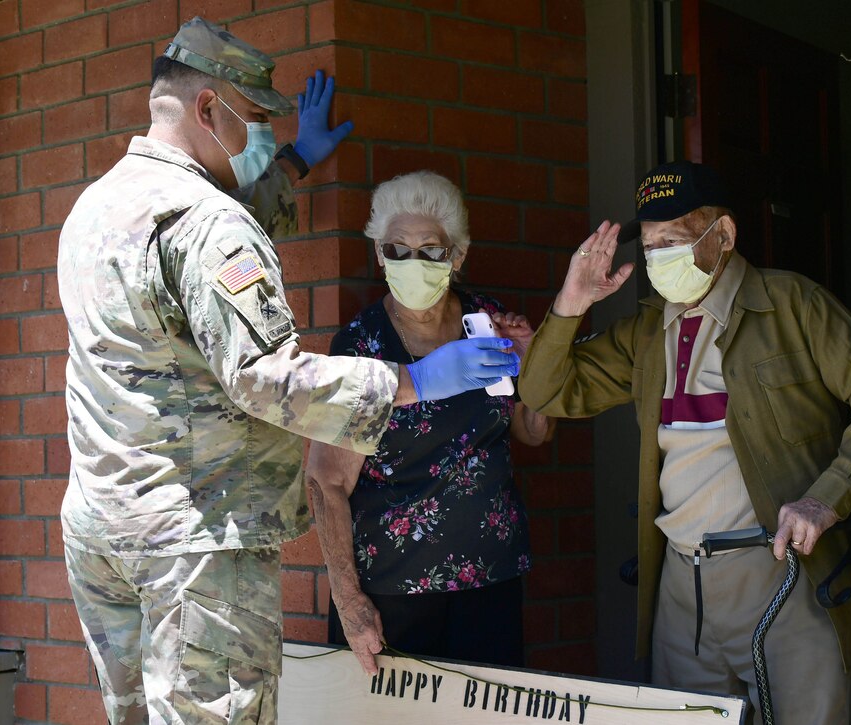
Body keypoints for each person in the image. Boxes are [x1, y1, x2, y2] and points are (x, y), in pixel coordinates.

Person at [57, 18, 518, 724]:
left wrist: (298, 159)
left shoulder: (96, 208)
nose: (259, 136)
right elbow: (265, 377)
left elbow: (195, 249)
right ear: (209, 110)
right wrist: (415, 381)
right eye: (256, 120)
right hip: (195, 540)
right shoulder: (207, 222)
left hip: (105, 528)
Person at [518, 160, 851, 724]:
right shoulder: (646, 331)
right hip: (681, 586)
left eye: (673, 241)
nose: (658, 258)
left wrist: (825, 497)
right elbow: (545, 391)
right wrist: (571, 303)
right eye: (651, 245)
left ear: (723, 236)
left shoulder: (792, 304)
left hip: (783, 574)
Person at [305, 171, 552, 674]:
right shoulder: (361, 347)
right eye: (396, 250)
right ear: (379, 255)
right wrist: (348, 600)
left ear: (456, 257)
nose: (411, 263)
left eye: (429, 250)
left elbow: (533, 431)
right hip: (393, 595)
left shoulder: (487, 322)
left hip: (490, 582)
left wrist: (536, 368)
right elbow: (326, 480)